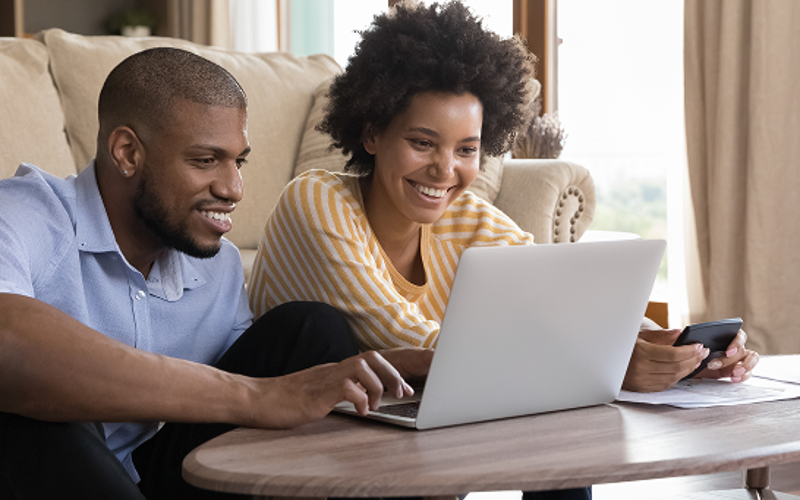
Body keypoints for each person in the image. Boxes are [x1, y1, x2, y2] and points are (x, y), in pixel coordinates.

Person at [247, 2, 759, 499]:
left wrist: (677, 349)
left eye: (466, 149)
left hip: (399, 431)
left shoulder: (467, 219)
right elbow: (405, 336)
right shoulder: (315, 201)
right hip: (296, 446)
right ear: (373, 132)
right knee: (543, 377)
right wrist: (605, 361)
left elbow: (562, 293)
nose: (446, 170)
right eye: (423, 143)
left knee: (550, 391)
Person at [0, 47, 432, 500]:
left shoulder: (217, 264)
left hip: (148, 474)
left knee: (311, 329)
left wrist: (360, 370)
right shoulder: (25, 213)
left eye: (238, 161)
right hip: (37, 474)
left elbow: (264, 387)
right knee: (35, 406)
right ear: (127, 152)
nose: (233, 189)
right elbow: (8, 340)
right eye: (206, 160)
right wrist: (255, 397)